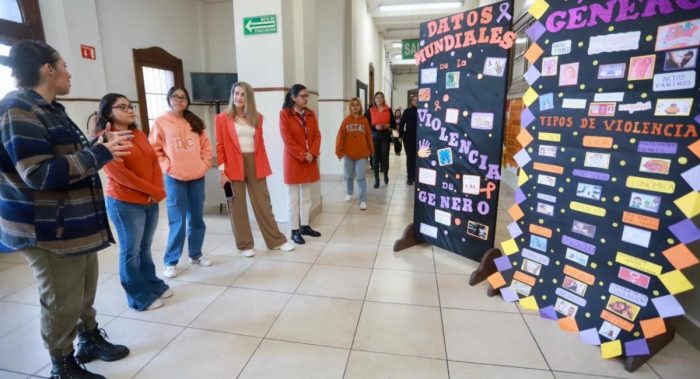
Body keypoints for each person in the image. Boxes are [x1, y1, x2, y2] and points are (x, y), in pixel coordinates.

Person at [0, 40, 130, 379]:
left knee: (83, 289)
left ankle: (88, 339)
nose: (70, 73)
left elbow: (67, 156)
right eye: (66, 66)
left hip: (73, 222)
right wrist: (99, 154)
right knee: (61, 299)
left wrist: (99, 146)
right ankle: (62, 364)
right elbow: (40, 173)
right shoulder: (18, 109)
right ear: (48, 69)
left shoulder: (50, 107)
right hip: (46, 228)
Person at [97, 93, 172, 311]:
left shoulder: (138, 133)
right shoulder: (106, 139)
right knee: (131, 250)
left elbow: (153, 163)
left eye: (130, 106)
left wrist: (157, 191)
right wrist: (153, 191)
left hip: (149, 200)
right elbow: (121, 175)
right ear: (108, 112)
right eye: (122, 107)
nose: (130, 110)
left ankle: (151, 283)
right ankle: (138, 295)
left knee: (145, 247)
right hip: (125, 203)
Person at [216, 82, 295, 256]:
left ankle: (276, 240)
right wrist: (222, 172)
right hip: (232, 165)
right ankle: (245, 245)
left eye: (243, 94)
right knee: (237, 206)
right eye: (236, 93)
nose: (238, 97)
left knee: (263, 203)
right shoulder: (222, 119)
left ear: (248, 97)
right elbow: (220, 146)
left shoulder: (257, 118)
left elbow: (261, 144)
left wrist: (264, 165)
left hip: (255, 162)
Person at [149, 86, 212, 278]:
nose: (179, 100)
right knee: (177, 221)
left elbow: (206, 147)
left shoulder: (194, 122)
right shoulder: (161, 122)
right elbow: (154, 150)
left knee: (197, 219)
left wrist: (203, 165)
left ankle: (196, 254)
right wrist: (168, 166)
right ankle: (170, 261)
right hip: (175, 178)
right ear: (169, 100)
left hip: (197, 178)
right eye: (175, 97)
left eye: (183, 97)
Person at [279, 84, 322, 245]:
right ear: (293, 97)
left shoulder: (311, 114)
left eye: (307, 96)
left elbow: (317, 136)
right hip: (294, 161)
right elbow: (287, 139)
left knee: (307, 197)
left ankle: (305, 226)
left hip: (309, 160)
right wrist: (304, 155)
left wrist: (312, 153)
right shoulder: (285, 115)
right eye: (303, 96)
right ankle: (294, 230)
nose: (306, 99)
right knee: (294, 199)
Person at [335, 97, 373, 210]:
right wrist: (339, 151)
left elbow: (368, 137)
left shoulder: (365, 120)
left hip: (361, 154)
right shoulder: (346, 120)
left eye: (357, 105)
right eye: (353, 105)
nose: (355, 107)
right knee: (348, 175)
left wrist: (370, 150)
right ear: (350, 107)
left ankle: (363, 200)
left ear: (360, 107)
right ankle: (349, 192)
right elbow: (340, 136)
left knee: (361, 177)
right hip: (348, 153)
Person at [365, 92, 395, 188]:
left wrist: (388, 125)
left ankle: (385, 175)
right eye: (377, 97)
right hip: (374, 137)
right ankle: (376, 180)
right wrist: (375, 127)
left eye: (381, 97)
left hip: (385, 137)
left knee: (385, 158)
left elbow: (394, 124)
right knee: (375, 159)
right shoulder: (370, 111)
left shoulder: (388, 110)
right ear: (374, 99)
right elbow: (366, 124)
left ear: (383, 99)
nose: (379, 99)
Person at [399, 94, 418, 185]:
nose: (416, 100)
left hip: (420, 138)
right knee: (410, 158)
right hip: (409, 138)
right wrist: (400, 135)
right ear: (411, 101)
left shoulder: (424, 110)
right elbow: (401, 124)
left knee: (419, 158)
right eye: (414, 99)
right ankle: (410, 177)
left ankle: (417, 176)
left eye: (417, 99)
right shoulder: (407, 111)